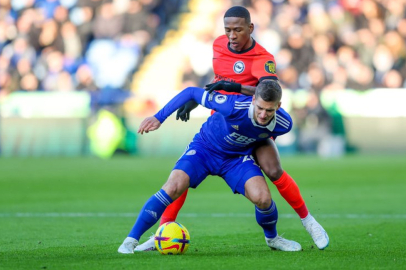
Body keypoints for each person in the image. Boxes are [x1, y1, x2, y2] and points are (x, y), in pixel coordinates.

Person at [136, 6, 329, 251]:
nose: (232, 35)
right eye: (227, 30)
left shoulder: (263, 58)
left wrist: (237, 88)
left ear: (250, 28)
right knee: (182, 175)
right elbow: (218, 84)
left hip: (254, 121)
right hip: (223, 121)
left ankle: (308, 222)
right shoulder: (218, 45)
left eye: (238, 30)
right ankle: (162, 232)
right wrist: (194, 102)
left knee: (273, 169)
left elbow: (268, 94)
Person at [118, 81, 302, 253]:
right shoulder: (232, 106)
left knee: (263, 198)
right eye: (260, 108)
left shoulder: (284, 124)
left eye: (269, 110)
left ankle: (273, 239)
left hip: (236, 159)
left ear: (278, 107)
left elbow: (264, 137)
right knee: (173, 186)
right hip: (205, 149)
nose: (263, 114)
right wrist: (159, 117)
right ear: (253, 99)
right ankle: (130, 241)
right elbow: (191, 92)